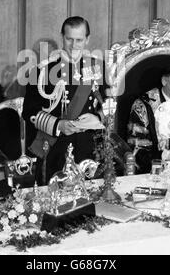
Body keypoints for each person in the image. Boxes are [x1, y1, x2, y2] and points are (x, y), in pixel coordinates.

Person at [22, 16, 110, 184]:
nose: (74, 45)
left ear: (87, 40)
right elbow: (29, 111)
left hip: (88, 146)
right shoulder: (43, 70)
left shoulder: (98, 68)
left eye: (79, 40)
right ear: (62, 36)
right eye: (69, 39)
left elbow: (111, 105)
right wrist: (58, 125)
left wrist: (98, 118)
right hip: (55, 146)